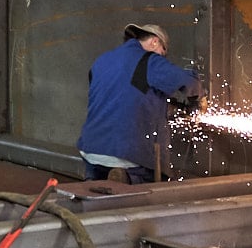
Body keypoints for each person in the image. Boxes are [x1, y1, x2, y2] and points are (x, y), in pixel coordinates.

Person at [77, 22, 201, 184]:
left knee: (97, 192)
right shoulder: (149, 60)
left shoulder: (102, 60)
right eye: (163, 52)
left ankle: (97, 181)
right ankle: (125, 179)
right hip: (125, 155)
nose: (162, 57)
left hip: (91, 151)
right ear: (155, 41)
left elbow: (126, 96)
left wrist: (169, 106)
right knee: (152, 182)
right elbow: (188, 82)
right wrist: (200, 98)